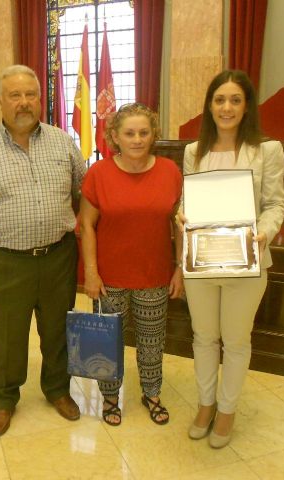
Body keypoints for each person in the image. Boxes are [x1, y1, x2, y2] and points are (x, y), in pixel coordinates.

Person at [0, 65, 87, 436]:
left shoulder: (63, 142)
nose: (23, 102)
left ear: (40, 99)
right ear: (0, 101)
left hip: (58, 257)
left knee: (58, 329)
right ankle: (5, 397)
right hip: (5, 260)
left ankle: (57, 389)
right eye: (15, 95)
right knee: (7, 334)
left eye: (30, 95)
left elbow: (85, 192)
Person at [180, 70, 284, 448]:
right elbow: (186, 200)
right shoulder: (194, 151)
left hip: (247, 259)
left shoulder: (267, 150)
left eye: (235, 100)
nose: (227, 107)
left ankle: (227, 410)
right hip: (202, 259)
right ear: (210, 106)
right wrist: (181, 214)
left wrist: (264, 231)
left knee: (237, 340)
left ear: (247, 106)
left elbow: (275, 204)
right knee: (204, 337)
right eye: (220, 99)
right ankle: (206, 404)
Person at [79, 103, 184, 427]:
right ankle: (110, 398)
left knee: (152, 343)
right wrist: (91, 274)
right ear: (115, 137)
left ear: (153, 135)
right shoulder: (98, 174)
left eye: (143, 132)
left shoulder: (170, 172)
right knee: (107, 342)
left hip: (154, 276)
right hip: (109, 278)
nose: (137, 139)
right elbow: (87, 226)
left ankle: (151, 393)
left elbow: (180, 224)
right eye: (129, 133)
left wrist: (179, 268)